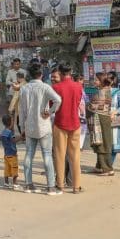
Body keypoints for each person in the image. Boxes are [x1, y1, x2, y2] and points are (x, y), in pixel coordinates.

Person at [18, 63, 62, 195]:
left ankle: (28, 184)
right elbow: (58, 100)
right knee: (47, 155)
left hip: (29, 126)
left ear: (29, 75)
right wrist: (50, 111)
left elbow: (21, 110)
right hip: (43, 126)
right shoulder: (45, 87)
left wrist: (21, 127)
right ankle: (50, 187)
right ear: (41, 74)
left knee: (29, 154)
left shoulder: (24, 89)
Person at [51, 63, 84, 194]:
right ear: (71, 72)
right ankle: (76, 186)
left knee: (59, 154)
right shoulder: (78, 86)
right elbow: (78, 102)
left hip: (60, 123)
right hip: (75, 123)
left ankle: (60, 184)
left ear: (60, 72)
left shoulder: (56, 87)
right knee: (75, 155)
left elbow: (51, 105)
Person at [88, 73, 115, 175]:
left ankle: (107, 168)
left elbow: (92, 107)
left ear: (102, 81)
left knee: (101, 142)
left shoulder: (101, 93)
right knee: (102, 141)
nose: (95, 81)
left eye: (97, 80)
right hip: (104, 118)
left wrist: (87, 106)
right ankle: (99, 166)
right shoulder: (107, 90)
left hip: (100, 118)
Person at [1, 114, 19, 189]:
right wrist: (21, 137)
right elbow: (13, 140)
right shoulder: (10, 132)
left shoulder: (3, 132)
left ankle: (6, 182)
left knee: (7, 169)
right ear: (10, 122)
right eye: (12, 121)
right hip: (12, 153)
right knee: (14, 168)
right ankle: (15, 183)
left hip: (6, 154)